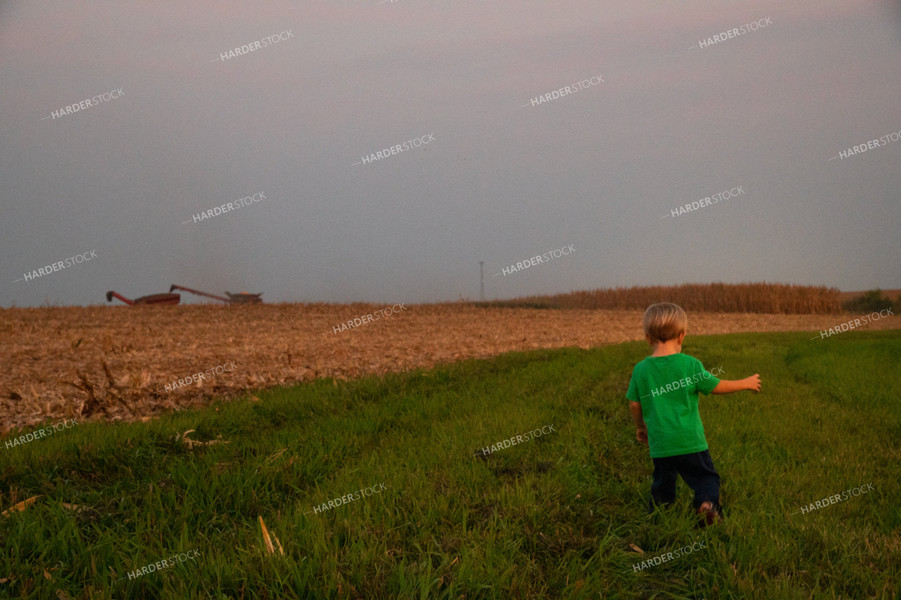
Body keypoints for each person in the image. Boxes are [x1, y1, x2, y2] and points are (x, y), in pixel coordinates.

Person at [625, 302, 761, 525]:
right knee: (705, 477)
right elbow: (716, 386)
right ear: (682, 335)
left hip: (660, 441)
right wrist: (745, 383)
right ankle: (706, 505)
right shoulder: (690, 365)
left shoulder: (640, 369)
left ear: (647, 337)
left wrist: (641, 427)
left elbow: (634, 405)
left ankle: (658, 518)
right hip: (690, 440)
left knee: (662, 481)